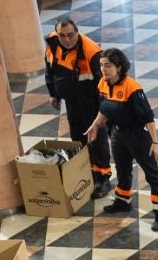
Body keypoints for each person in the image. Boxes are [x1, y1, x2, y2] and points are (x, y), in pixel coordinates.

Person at [85, 48, 158, 231]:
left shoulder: (132, 88)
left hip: (138, 136)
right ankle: (123, 201)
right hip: (117, 134)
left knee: (151, 173)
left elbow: (148, 117)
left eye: (108, 66)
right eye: (101, 66)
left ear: (119, 66)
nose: (104, 70)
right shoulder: (102, 83)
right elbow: (104, 109)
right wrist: (95, 125)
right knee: (122, 170)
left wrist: (155, 143)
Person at [42, 16, 111, 197]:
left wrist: (104, 112)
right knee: (78, 138)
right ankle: (87, 170)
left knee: (97, 139)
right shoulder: (52, 43)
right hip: (72, 103)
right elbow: (50, 70)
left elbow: (105, 85)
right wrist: (53, 94)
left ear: (77, 32)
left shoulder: (92, 52)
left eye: (70, 35)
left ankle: (104, 177)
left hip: (92, 104)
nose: (66, 40)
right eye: (62, 35)